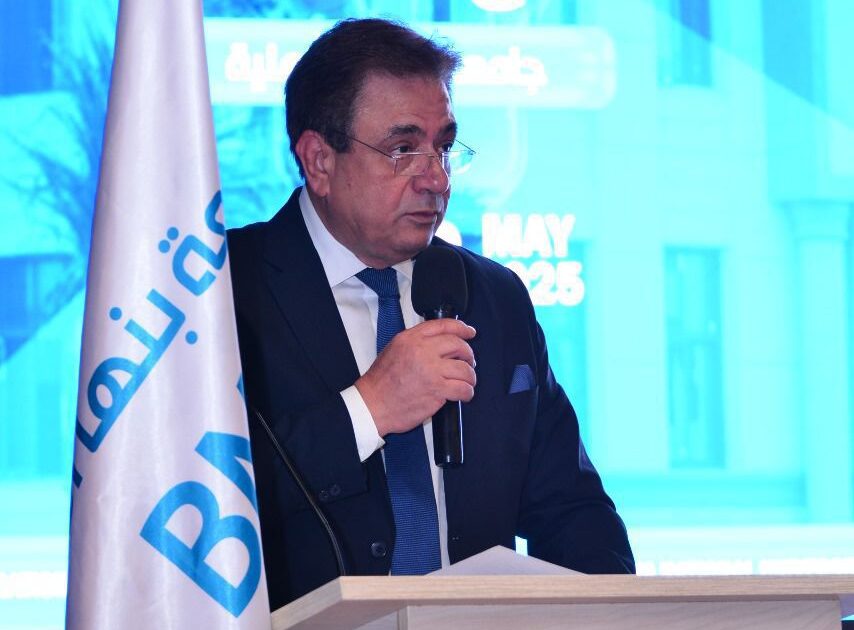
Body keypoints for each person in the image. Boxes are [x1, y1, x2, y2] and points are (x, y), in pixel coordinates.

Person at [227, 17, 634, 610]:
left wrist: (614, 613)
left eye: (443, 146)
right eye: (403, 149)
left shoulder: (494, 297)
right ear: (318, 161)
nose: (436, 178)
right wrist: (369, 409)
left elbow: (572, 509)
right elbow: (198, 501)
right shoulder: (227, 290)